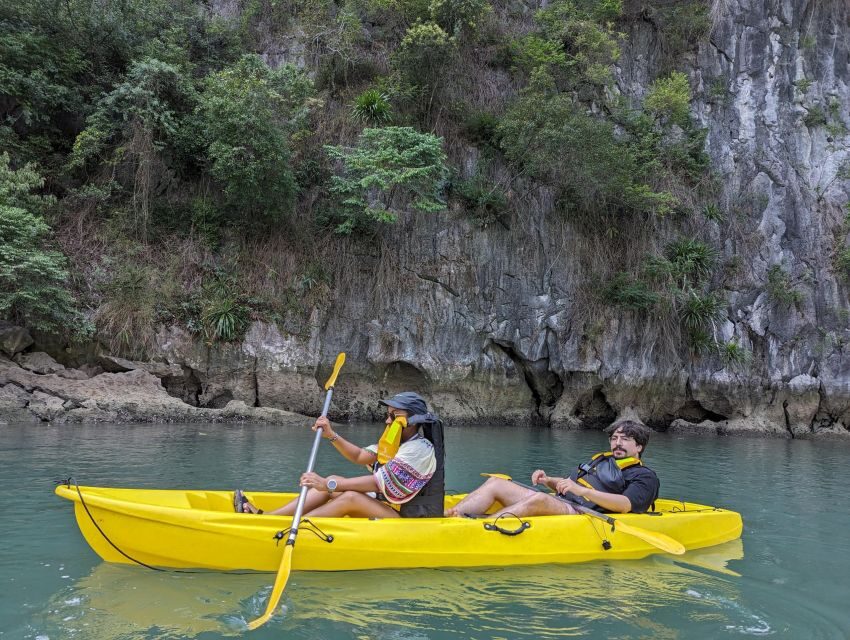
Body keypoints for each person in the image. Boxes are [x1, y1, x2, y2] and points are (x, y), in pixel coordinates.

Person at [236, 391, 445, 518]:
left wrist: (329, 485)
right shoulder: (395, 441)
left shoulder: (419, 449)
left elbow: (379, 483)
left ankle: (295, 527)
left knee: (350, 496)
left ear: (412, 421)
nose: (387, 421)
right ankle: (269, 519)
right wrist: (331, 435)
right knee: (334, 479)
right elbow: (361, 456)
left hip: (409, 518)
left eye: (394, 416)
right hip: (389, 506)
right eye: (387, 415)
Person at [445, 420, 659, 518]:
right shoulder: (601, 460)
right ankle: (453, 515)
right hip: (563, 501)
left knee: (540, 499)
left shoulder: (644, 476)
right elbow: (568, 485)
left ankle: (483, 528)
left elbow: (625, 505)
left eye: (625, 439)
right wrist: (548, 480)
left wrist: (582, 491)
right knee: (496, 483)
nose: (617, 443)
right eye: (614, 439)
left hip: (583, 513)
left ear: (639, 446)